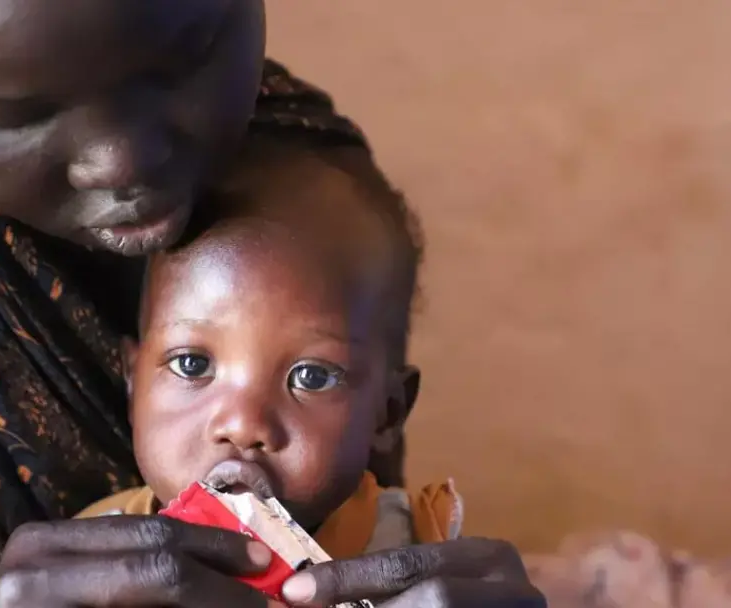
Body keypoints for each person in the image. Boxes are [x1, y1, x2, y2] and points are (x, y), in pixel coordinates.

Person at [0, 1, 544, 606]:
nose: (122, 163)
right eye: (9, 114)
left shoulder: (300, 171)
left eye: (186, 57)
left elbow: (359, 482)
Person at [71, 133, 468, 594]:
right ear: (134, 384)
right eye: (192, 365)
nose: (243, 425)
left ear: (388, 412)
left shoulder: (415, 552)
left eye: (311, 377)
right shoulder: (98, 556)